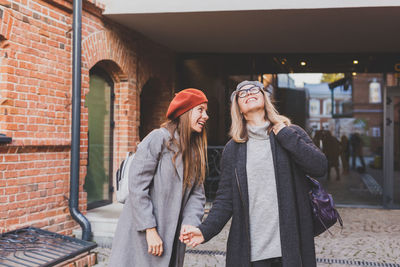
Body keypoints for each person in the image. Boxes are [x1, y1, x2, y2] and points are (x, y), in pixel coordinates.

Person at [180, 81, 328, 267]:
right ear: (239, 109)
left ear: (265, 98)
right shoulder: (233, 149)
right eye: (242, 93)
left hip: (291, 247)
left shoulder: (291, 133)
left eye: (254, 89)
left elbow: (319, 167)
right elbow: (225, 200)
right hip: (252, 253)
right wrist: (205, 231)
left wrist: (285, 134)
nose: (249, 92)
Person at [109, 88, 209, 267]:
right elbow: (138, 187)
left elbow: (197, 194)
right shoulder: (158, 139)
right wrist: (150, 230)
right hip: (142, 234)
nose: (206, 116)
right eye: (200, 109)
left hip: (173, 237)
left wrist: (189, 223)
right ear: (184, 112)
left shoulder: (195, 151)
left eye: (205, 110)